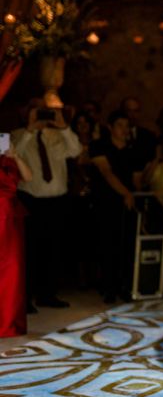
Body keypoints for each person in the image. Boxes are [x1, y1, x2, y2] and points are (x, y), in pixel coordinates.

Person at [14, 104, 82, 309]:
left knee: (53, 250)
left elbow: (76, 150)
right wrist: (30, 129)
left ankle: (48, 295)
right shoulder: (16, 134)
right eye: (37, 111)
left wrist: (64, 127)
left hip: (57, 200)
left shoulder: (59, 135)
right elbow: (12, 154)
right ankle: (24, 298)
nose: (43, 115)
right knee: (29, 251)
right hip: (30, 200)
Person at [90, 110, 138, 303]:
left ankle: (124, 287)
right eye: (120, 125)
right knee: (107, 246)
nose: (124, 130)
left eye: (127, 126)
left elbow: (137, 178)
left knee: (126, 246)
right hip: (106, 202)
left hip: (127, 204)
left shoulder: (131, 149)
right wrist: (125, 192)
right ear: (110, 127)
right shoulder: (99, 146)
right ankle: (108, 288)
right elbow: (106, 172)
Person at [0, 142, 32, 337]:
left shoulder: (10, 159)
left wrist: (16, 156)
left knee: (13, 270)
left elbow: (29, 177)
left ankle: (9, 324)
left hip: (10, 220)